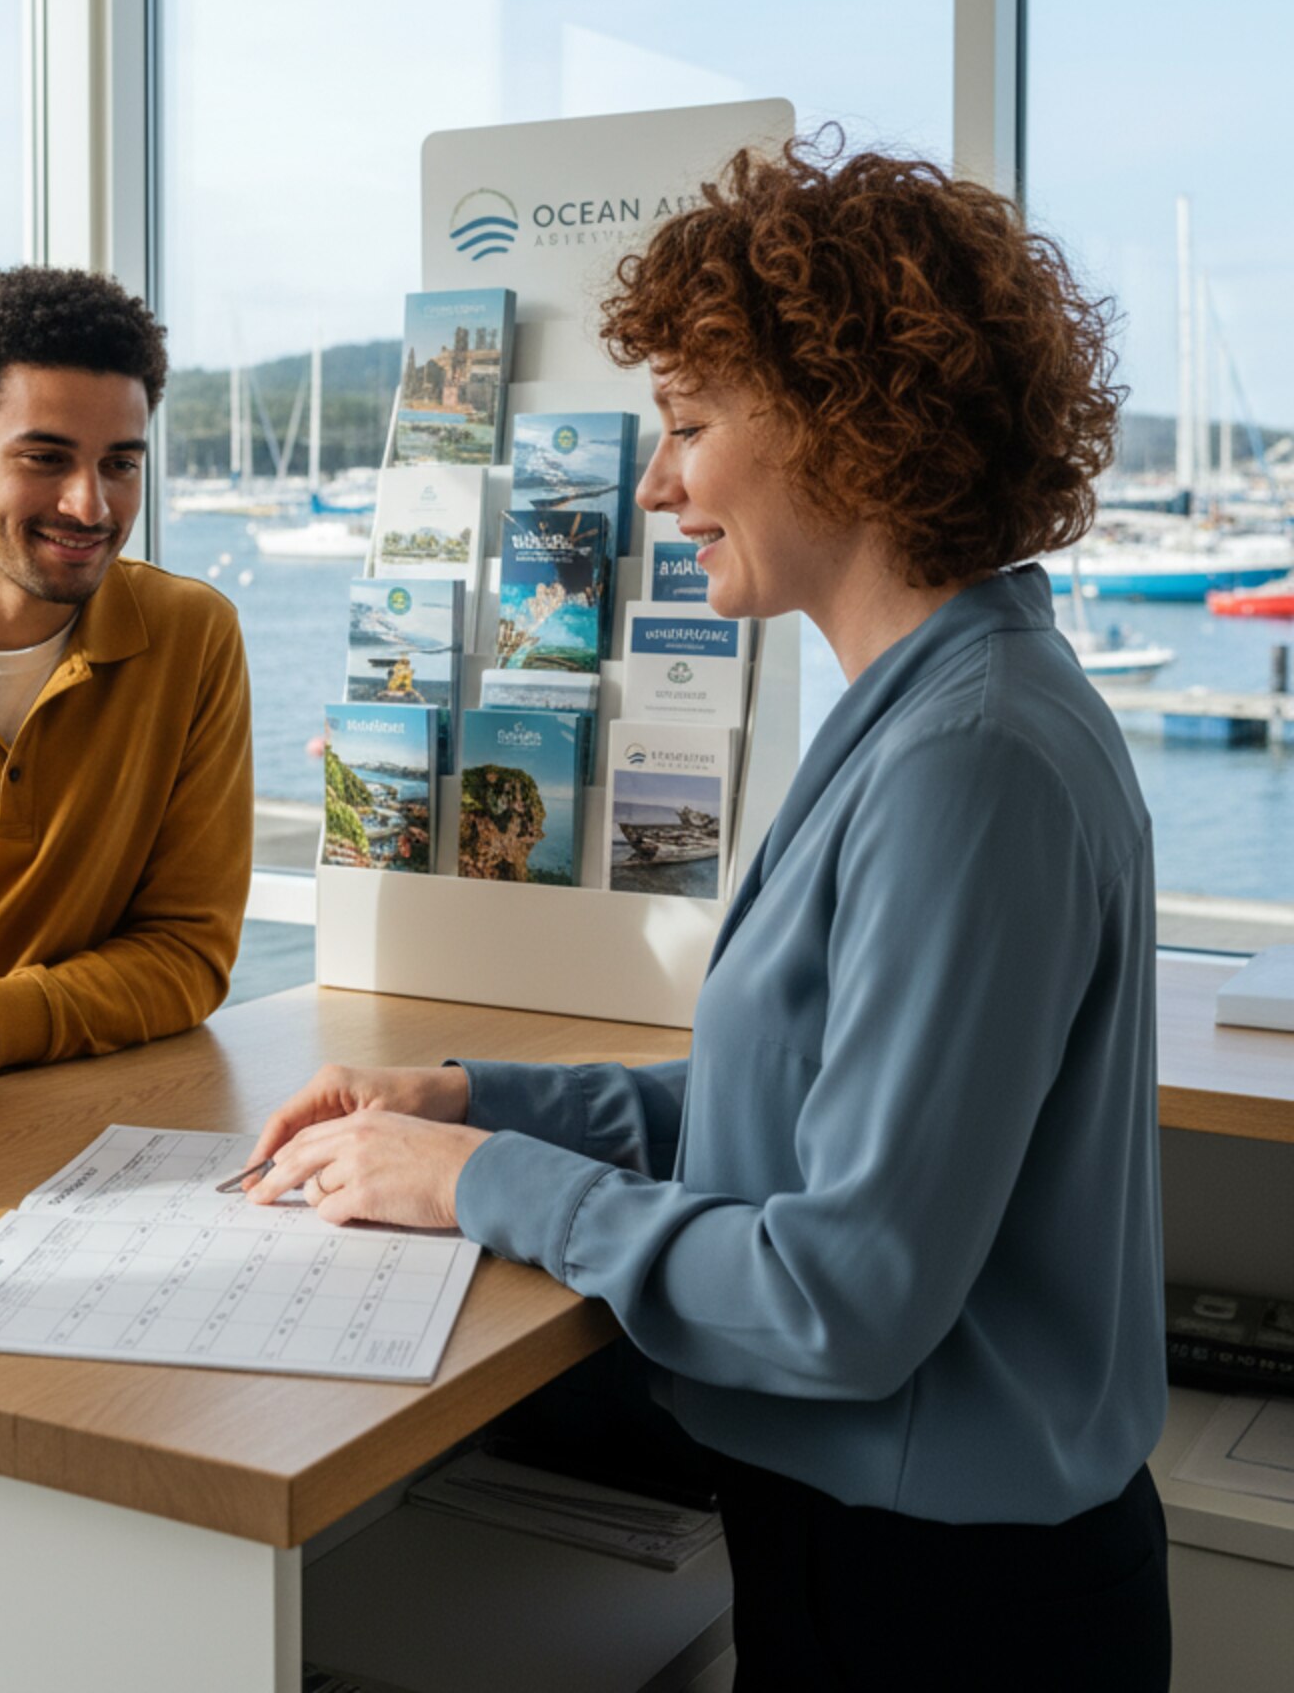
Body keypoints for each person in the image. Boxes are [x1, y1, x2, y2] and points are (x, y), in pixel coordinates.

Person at [246, 143, 1170, 1689]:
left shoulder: (969, 762)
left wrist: (484, 1182)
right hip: (879, 1543)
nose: (658, 481)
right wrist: (470, 1100)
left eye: (686, 426)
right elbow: (799, 1103)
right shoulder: (937, 706)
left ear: (851, 428)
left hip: (951, 1602)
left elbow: (842, 1298)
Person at [0, 265, 252, 1070]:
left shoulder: (193, 636)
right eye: (46, 459)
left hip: (85, 1114)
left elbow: (187, 957)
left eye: (121, 465)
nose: (91, 506)